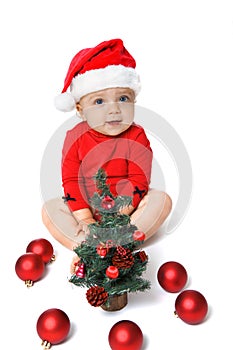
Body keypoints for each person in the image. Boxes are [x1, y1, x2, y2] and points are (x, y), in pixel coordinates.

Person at [42, 39, 172, 261]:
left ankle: (121, 243)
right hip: (86, 210)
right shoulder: (74, 138)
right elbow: (72, 181)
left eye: (122, 99)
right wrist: (86, 220)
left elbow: (139, 180)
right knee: (50, 210)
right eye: (99, 101)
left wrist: (118, 217)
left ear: (134, 100)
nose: (114, 110)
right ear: (81, 110)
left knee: (161, 201)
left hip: (126, 213)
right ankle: (86, 247)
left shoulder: (136, 136)